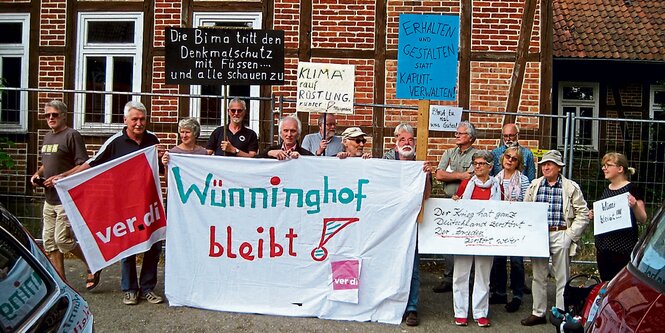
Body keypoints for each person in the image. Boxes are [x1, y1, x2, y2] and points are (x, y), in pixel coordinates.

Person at [74, 100, 164, 306]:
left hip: (148, 200)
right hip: (125, 203)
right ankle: (130, 289)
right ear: (125, 120)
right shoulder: (115, 142)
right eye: (135, 119)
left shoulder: (152, 140)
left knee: (154, 244)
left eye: (142, 119)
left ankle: (148, 288)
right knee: (129, 245)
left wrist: (163, 160)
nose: (139, 123)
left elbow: (157, 169)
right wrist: (65, 177)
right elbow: (92, 163)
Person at [29, 100, 100, 290]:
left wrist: (61, 177)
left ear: (63, 115)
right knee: (50, 243)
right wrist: (38, 173)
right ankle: (62, 283)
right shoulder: (46, 137)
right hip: (49, 198)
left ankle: (93, 264)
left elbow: (82, 164)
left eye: (54, 114)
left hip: (65, 198)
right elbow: (48, 162)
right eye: (47, 115)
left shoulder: (72, 135)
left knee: (63, 240)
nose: (50, 118)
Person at [521, 150, 589, 326]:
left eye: (550, 164)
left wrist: (571, 235)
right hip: (539, 234)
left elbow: (582, 213)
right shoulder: (535, 185)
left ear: (559, 167)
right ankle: (538, 312)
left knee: (562, 277)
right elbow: (526, 211)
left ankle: (560, 313)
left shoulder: (570, 187)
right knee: (538, 276)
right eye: (544, 164)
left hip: (561, 233)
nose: (546, 167)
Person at [382, 123, 432, 326]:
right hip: (389, 223)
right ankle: (390, 303)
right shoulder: (387, 165)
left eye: (410, 140)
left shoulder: (420, 166)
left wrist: (427, 175)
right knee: (387, 263)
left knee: (412, 266)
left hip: (411, 224)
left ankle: (411, 308)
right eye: (402, 139)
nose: (406, 143)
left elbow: (426, 195)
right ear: (395, 145)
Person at [451, 150, 501, 328]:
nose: (477, 166)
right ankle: (461, 312)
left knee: (483, 275)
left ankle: (480, 312)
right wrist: (455, 200)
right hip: (465, 236)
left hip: (486, 237)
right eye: (475, 163)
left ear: (490, 166)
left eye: (481, 163)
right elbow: (457, 205)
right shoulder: (466, 184)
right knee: (460, 275)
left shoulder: (497, 186)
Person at [432, 121, 478, 293]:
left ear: (470, 137)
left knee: (467, 240)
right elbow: (439, 174)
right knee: (448, 240)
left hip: (468, 205)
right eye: (456, 133)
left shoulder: (477, 155)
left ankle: (469, 279)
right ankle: (448, 277)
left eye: (460, 133)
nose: (456, 136)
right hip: (448, 202)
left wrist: (451, 176)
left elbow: (472, 177)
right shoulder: (449, 152)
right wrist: (460, 175)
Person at [589, 152, 647, 281]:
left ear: (620, 169)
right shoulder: (607, 189)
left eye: (608, 165)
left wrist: (634, 206)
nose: (604, 168)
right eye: (603, 165)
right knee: (606, 283)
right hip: (604, 248)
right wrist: (594, 214)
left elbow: (643, 218)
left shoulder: (632, 189)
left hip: (622, 248)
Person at [489, 146, 530, 312]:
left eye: (514, 159)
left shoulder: (524, 180)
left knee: (516, 262)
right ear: (502, 158)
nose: (510, 160)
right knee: (498, 260)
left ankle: (517, 295)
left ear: (518, 163)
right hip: (498, 226)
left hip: (516, 226)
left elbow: (527, 203)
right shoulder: (494, 179)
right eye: (508, 157)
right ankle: (499, 293)